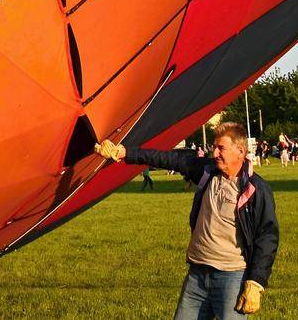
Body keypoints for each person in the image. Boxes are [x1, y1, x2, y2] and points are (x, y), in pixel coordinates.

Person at [96, 122, 278, 318]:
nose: (215, 153)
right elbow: (169, 159)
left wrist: (256, 281)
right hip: (197, 275)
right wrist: (124, 153)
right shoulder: (207, 172)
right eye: (214, 147)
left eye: (221, 148)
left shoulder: (255, 189)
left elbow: (267, 236)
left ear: (240, 151)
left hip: (231, 277)